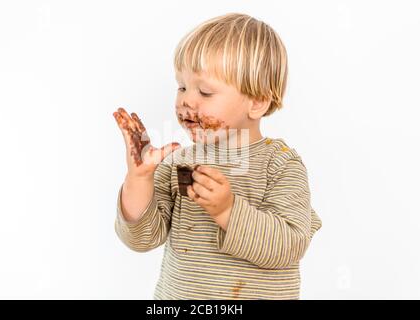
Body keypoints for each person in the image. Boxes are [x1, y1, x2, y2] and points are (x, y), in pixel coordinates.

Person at [113, 12, 322, 300]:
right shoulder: (177, 162)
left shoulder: (280, 164)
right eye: (182, 86)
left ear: (257, 102)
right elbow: (141, 238)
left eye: (206, 91)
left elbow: (289, 246)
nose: (186, 99)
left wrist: (227, 211)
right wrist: (138, 179)